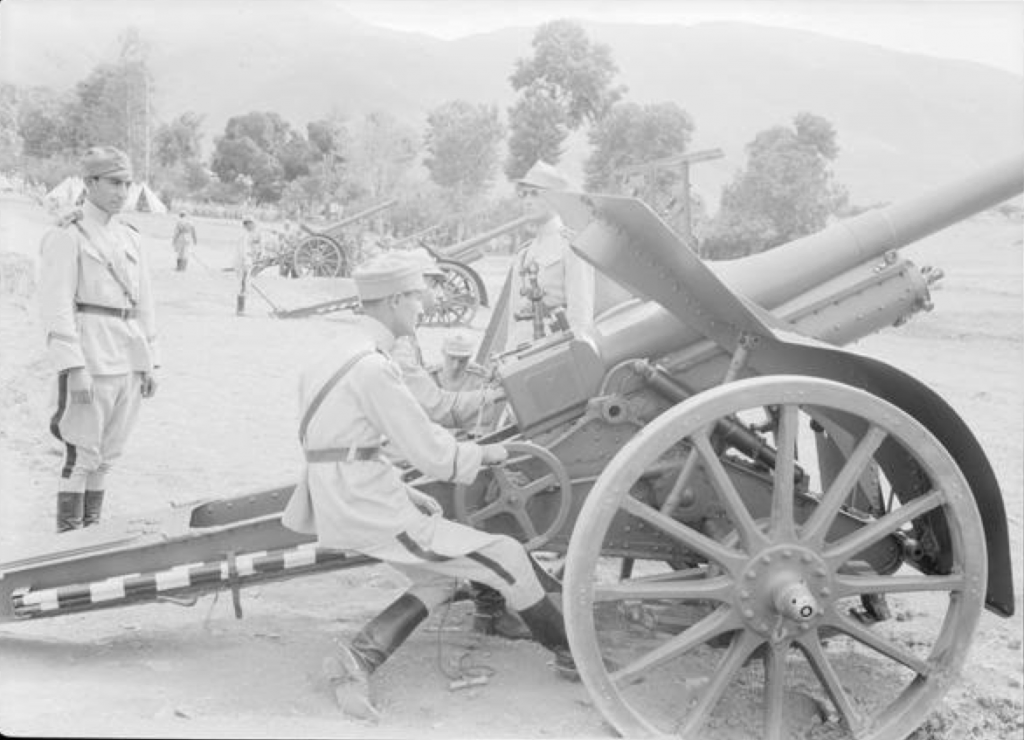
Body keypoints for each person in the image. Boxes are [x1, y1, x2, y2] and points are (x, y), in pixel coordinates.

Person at [281, 254, 574, 720]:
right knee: (506, 554)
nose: (424, 307)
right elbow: (434, 454)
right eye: (418, 297)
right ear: (396, 300)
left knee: (438, 577)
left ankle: (357, 658)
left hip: (345, 488)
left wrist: (400, 486)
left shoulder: (337, 349)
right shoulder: (374, 368)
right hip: (362, 500)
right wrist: (491, 454)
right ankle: (572, 655)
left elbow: (340, 438)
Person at [38, 146, 160, 532]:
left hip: (128, 358)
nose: (122, 191)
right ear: (89, 183)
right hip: (90, 357)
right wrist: (74, 369)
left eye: (126, 183)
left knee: (108, 456)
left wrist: (151, 361)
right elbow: (56, 306)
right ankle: (66, 547)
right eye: (113, 183)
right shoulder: (67, 234)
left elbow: (145, 303)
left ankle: (91, 538)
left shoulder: (131, 238)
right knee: (81, 454)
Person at [501, 161, 596, 351]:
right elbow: (514, 317)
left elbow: (580, 317)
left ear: (556, 199)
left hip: (552, 353)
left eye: (535, 193)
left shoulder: (572, 247)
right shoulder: (524, 254)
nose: (527, 200)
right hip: (519, 352)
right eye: (524, 194)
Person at [234, 216, 264, 315]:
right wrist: (247, 262)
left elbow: (257, 247)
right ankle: (240, 310)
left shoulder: (251, 234)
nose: (252, 225)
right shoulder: (244, 235)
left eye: (252, 223)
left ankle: (241, 309)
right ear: (247, 225)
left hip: (247, 261)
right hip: (243, 262)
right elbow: (244, 251)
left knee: (245, 285)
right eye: (250, 224)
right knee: (243, 284)